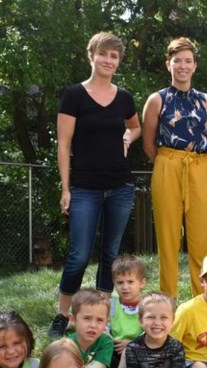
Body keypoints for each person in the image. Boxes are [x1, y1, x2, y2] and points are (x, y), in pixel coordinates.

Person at [49, 32, 141, 340]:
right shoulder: (74, 95)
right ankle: (63, 315)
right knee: (79, 253)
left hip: (120, 185)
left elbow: (135, 125)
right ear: (92, 56)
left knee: (110, 253)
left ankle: (100, 315)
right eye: (103, 54)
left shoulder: (125, 97)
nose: (108, 60)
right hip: (85, 187)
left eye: (114, 56)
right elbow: (63, 145)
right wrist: (66, 188)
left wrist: (130, 136)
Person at [141, 37, 207, 298]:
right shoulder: (156, 100)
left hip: (199, 167)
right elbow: (148, 144)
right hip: (167, 165)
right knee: (168, 239)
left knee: (199, 241)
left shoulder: (206, 101)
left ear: (195, 66)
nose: (182, 66)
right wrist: (167, 163)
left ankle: (200, 303)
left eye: (188, 61)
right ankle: (167, 305)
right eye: (177, 61)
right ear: (168, 64)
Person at [109, 254, 146, 368]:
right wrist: (107, 336)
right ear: (114, 283)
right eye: (120, 282)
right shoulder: (113, 303)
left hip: (140, 349)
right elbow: (106, 323)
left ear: (142, 283)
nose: (125, 287)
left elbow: (151, 331)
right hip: (114, 348)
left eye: (130, 282)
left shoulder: (146, 305)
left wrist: (131, 343)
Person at [66, 289, 115, 368]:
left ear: (106, 323)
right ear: (73, 319)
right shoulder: (67, 346)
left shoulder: (106, 341)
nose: (93, 325)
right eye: (87, 318)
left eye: (100, 320)